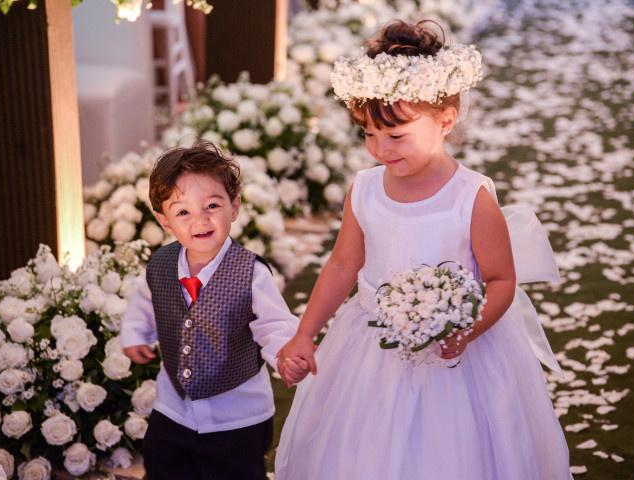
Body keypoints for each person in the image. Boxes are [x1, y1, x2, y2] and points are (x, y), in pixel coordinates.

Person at [274, 20, 572, 480]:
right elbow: (342, 263)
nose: (380, 149)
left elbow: (501, 280)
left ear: (445, 120)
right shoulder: (366, 190)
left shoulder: (470, 196)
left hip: (458, 354)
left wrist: (467, 330)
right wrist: (305, 333)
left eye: (396, 136)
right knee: (367, 451)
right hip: (371, 345)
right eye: (369, 135)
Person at [120, 141, 304, 480]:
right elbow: (144, 302)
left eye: (212, 205)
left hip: (237, 415)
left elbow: (273, 325)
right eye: (183, 212)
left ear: (234, 207)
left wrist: (285, 355)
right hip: (172, 408)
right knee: (162, 468)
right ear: (164, 220)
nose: (200, 220)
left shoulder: (251, 273)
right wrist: (135, 333)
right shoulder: (160, 265)